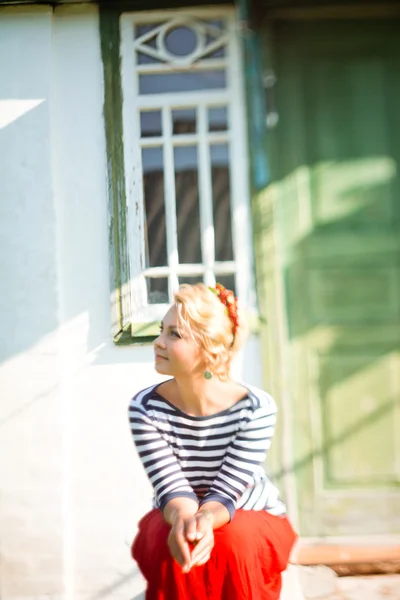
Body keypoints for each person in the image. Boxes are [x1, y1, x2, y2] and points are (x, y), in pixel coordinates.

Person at [128, 283, 297, 600]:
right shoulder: (145, 408)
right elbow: (171, 487)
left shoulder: (256, 408)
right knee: (172, 542)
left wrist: (205, 518)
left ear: (209, 350)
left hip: (247, 512)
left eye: (174, 335)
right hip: (176, 510)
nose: (158, 342)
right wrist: (185, 519)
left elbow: (227, 491)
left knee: (235, 542)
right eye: (161, 330)